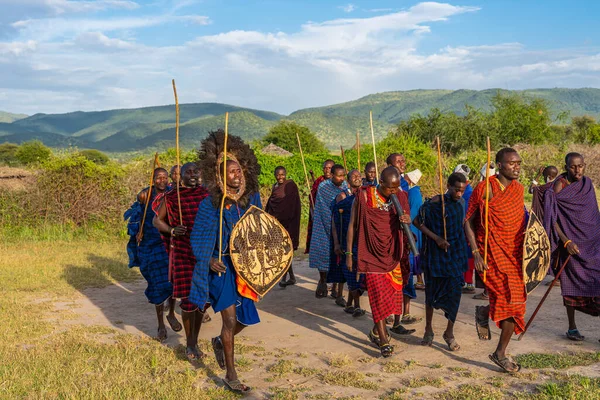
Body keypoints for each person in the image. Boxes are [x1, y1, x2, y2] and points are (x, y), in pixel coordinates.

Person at [190, 131, 262, 394]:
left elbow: (261, 231)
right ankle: (231, 375)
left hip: (244, 268)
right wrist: (208, 259)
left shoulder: (250, 200)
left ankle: (220, 341)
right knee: (230, 320)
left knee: (247, 318)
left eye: (239, 171)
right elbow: (198, 237)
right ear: (220, 176)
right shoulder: (210, 205)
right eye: (231, 172)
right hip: (221, 269)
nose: (237, 175)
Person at [465, 148, 527, 373]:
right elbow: (468, 222)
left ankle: (485, 314)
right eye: (512, 163)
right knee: (509, 301)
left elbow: (520, 224)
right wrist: (475, 252)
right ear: (499, 165)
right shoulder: (486, 188)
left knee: (515, 301)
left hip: (514, 254)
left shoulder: (519, 190)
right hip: (490, 253)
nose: (516, 167)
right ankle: (500, 354)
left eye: (519, 163)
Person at [346, 166, 413, 357]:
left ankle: (376, 331)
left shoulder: (400, 197)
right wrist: (349, 253)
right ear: (380, 183)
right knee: (377, 297)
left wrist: (406, 219)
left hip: (392, 255)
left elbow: (406, 222)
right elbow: (352, 224)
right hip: (371, 254)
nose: (393, 192)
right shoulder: (365, 196)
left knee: (392, 296)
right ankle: (384, 340)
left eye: (396, 187)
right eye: (390, 188)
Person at [153, 162, 209, 361]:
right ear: (181, 176)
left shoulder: (207, 195)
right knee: (187, 301)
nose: (193, 175)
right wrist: (171, 230)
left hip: (205, 253)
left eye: (196, 171)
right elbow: (157, 221)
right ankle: (190, 343)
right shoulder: (172, 197)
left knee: (203, 301)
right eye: (188, 172)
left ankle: (195, 338)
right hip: (183, 253)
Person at [543, 153, 600, 342]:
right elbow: (552, 219)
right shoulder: (559, 186)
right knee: (571, 287)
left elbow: (592, 214)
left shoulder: (587, 184)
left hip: (592, 243)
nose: (577, 170)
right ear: (566, 167)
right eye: (573, 167)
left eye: (581, 166)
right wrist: (566, 242)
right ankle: (572, 327)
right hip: (570, 246)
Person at [124, 167, 182, 342]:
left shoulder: (173, 193)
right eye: (158, 178)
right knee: (156, 284)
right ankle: (161, 325)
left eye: (165, 177)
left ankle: (171, 313)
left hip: (167, 243)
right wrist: (137, 232)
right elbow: (138, 215)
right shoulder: (145, 195)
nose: (162, 180)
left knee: (171, 281)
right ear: (153, 179)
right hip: (149, 244)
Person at [414, 172, 468, 351]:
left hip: (455, 254)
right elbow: (417, 222)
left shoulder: (461, 203)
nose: (459, 193)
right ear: (448, 186)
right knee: (431, 294)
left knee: (455, 294)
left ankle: (449, 333)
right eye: (456, 190)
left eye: (462, 190)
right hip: (436, 256)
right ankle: (428, 330)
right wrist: (436, 238)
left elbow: (463, 225)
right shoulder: (434, 203)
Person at [387, 153, 421, 326]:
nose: (402, 163)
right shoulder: (386, 186)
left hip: (406, 237)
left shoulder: (406, 186)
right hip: (390, 239)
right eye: (398, 161)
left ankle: (405, 313)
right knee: (390, 278)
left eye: (403, 160)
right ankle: (389, 314)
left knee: (406, 275)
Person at [310, 164, 348, 302]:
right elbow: (327, 209)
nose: (342, 178)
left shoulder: (345, 186)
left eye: (343, 175)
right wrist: (333, 224)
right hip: (324, 226)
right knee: (324, 255)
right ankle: (323, 281)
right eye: (339, 175)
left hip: (339, 226)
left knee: (340, 258)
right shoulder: (323, 187)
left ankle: (338, 291)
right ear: (332, 175)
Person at [332, 169, 365, 317]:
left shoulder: (367, 196)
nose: (357, 178)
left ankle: (350, 304)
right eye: (354, 176)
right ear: (348, 180)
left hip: (364, 242)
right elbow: (335, 221)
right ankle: (357, 306)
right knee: (351, 273)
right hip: (348, 241)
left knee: (362, 275)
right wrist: (337, 243)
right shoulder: (343, 197)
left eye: (359, 176)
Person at [265, 166, 301, 287]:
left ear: (286, 174)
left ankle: (285, 278)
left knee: (285, 250)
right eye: (278, 175)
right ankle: (290, 277)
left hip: (288, 223)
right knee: (281, 251)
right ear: (275, 175)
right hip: (276, 223)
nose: (280, 177)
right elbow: (272, 203)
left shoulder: (290, 186)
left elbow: (291, 206)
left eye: (282, 174)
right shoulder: (275, 186)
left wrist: (280, 216)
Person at [454, 164, 476, 295]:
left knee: (466, 255)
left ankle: (467, 282)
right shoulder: (466, 190)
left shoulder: (467, 192)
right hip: (464, 228)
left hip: (464, 228)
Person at [305, 160, 335, 253]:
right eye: (325, 168)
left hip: (333, 214)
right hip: (320, 214)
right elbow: (313, 196)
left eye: (329, 168)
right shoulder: (319, 181)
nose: (327, 170)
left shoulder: (338, 181)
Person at [406, 169, 424, 292]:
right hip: (415, 225)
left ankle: (417, 280)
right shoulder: (415, 192)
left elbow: (412, 212)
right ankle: (418, 279)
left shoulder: (413, 193)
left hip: (413, 226)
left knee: (413, 251)